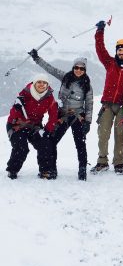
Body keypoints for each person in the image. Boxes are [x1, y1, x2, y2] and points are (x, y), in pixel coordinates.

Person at [28, 50, 93, 181]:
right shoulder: (65, 77)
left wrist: (88, 122)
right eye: (76, 67)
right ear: (73, 67)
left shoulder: (87, 85)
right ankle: (52, 169)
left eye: (82, 68)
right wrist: (37, 58)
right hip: (63, 114)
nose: (79, 70)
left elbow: (89, 104)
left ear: (85, 70)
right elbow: (50, 69)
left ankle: (82, 170)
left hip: (78, 115)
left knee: (80, 143)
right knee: (52, 140)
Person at [91, 20, 123, 175]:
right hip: (107, 105)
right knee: (103, 133)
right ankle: (102, 161)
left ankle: (118, 163)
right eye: (119, 50)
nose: (121, 52)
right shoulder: (110, 63)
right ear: (117, 51)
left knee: (120, 134)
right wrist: (100, 31)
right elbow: (100, 49)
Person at [5, 74, 58, 180]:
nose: (42, 85)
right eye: (39, 82)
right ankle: (12, 170)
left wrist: (48, 130)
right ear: (34, 83)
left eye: (44, 83)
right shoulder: (25, 94)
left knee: (45, 143)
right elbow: (13, 115)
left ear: (47, 85)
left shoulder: (49, 97)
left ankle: (45, 171)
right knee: (21, 147)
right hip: (17, 125)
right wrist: (16, 108)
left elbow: (53, 115)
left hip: (34, 126)